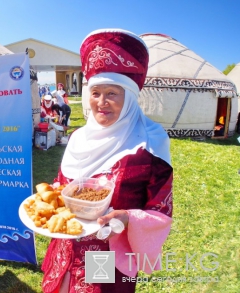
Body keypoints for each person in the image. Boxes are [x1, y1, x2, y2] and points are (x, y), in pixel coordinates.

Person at [41, 29, 173, 293]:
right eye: (95, 92)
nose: (101, 103)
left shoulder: (148, 147)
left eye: (112, 93)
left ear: (130, 98)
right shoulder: (79, 138)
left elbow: (161, 211)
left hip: (106, 251)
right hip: (66, 243)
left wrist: (128, 218)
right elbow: (61, 186)